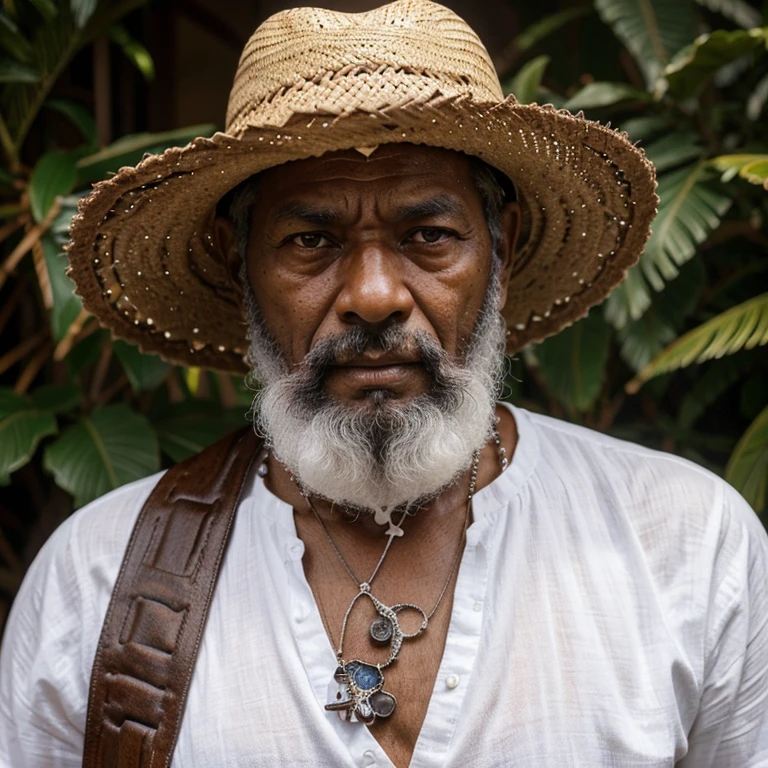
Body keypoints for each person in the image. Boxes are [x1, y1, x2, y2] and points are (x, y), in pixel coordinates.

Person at [2, 1, 767, 766]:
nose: (373, 295)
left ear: (502, 247)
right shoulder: (96, 583)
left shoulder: (687, 544)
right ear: (239, 264)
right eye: (311, 240)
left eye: (427, 236)